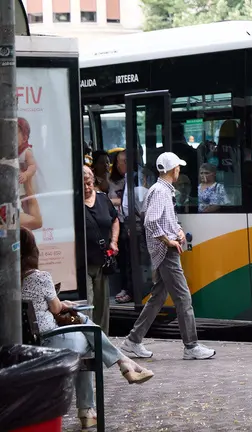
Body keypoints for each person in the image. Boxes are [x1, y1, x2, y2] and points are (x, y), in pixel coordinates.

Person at [19, 226, 154, 430]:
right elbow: (55, 308)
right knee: (90, 339)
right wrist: (64, 304)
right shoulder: (40, 277)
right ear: (32, 250)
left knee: (84, 327)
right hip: (52, 341)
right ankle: (122, 365)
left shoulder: (7, 279)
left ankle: (89, 410)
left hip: (26, 343)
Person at [120, 152, 216, 360]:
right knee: (183, 298)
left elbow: (157, 219)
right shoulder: (161, 192)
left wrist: (177, 231)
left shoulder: (160, 190)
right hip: (167, 253)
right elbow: (151, 221)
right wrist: (169, 240)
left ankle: (133, 341)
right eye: (178, 167)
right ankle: (191, 346)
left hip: (165, 250)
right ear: (174, 169)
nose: (180, 170)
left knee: (158, 297)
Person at [83, 166, 119, 333]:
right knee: (88, 306)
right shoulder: (73, 203)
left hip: (102, 262)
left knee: (102, 306)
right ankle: (89, 344)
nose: (86, 188)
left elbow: (114, 220)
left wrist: (114, 241)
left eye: (89, 183)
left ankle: (102, 342)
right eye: (82, 184)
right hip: (83, 263)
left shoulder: (103, 199)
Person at [108, 150, 133, 304]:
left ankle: (130, 289)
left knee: (130, 260)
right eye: (117, 162)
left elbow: (127, 201)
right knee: (122, 259)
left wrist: (113, 201)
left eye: (121, 162)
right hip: (119, 222)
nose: (118, 165)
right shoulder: (114, 180)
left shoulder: (133, 179)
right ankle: (125, 287)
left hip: (129, 223)